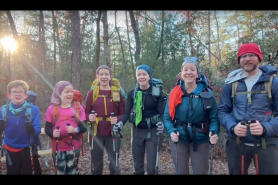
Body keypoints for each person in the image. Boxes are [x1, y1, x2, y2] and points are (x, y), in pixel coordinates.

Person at [218, 43, 278, 175]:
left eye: (251, 55)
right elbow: (223, 111)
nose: (247, 59)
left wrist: (265, 128)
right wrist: (233, 127)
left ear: (259, 58)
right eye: (243, 56)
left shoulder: (273, 82)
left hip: (266, 143)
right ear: (239, 60)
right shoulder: (231, 83)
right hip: (237, 143)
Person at [164, 57, 219, 174]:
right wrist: (171, 131)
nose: (189, 72)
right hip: (179, 139)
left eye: (192, 69)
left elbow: (214, 118)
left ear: (197, 74)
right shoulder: (174, 93)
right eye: (186, 69)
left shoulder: (207, 94)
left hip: (200, 139)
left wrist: (214, 131)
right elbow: (167, 117)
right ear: (181, 73)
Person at [113, 64, 165, 175]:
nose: (141, 77)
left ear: (149, 76)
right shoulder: (133, 94)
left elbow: (162, 113)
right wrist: (120, 123)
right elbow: (127, 113)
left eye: (144, 74)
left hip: (153, 131)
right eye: (139, 74)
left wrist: (161, 123)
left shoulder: (156, 92)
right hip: (137, 131)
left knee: (151, 169)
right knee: (138, 168)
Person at [85, 65, 125, 175]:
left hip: (113, 131)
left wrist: (117, 119)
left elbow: (123, 113)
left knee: (114, 164)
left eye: (106, 74)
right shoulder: (91, 94)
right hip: (96, 131)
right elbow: (86, 113)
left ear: (110, 77)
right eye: (101, 74)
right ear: (97, 77)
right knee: (96, 165)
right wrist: (90, 117)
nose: (104, 77)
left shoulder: (117, 93)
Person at [44, 81, 87, 175]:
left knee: (72, 171)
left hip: (74, 146)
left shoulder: (78, 107)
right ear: (59, 94)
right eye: (66, 92)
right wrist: (52, 133)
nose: (70, 94)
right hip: (58, 147)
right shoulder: (52, 109)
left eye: (71, 91)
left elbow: (84, 126)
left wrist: (76, 130)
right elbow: (47, 128)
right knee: (60, 172)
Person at [0, 80, 41, 174]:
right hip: (10, 149)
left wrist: (32, 130)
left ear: (26, 95)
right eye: (14, 92)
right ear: (9, 95)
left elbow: (37, 129)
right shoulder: (3, 110)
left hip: (28, 148)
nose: (17, 94)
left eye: (20, 92)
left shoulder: (33, 109)